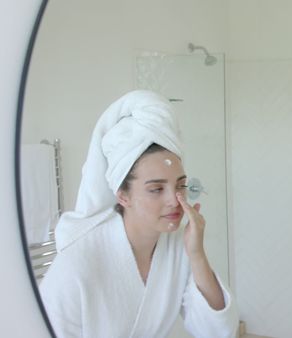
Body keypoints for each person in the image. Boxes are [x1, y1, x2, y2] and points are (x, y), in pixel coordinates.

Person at [39, 90, 238, 337]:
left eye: (180, 185)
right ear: (122, 195)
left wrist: (196, 253)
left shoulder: (176, 248)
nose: (174, 200)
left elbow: (218, 331)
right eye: (156, 189)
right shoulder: (77, 262)